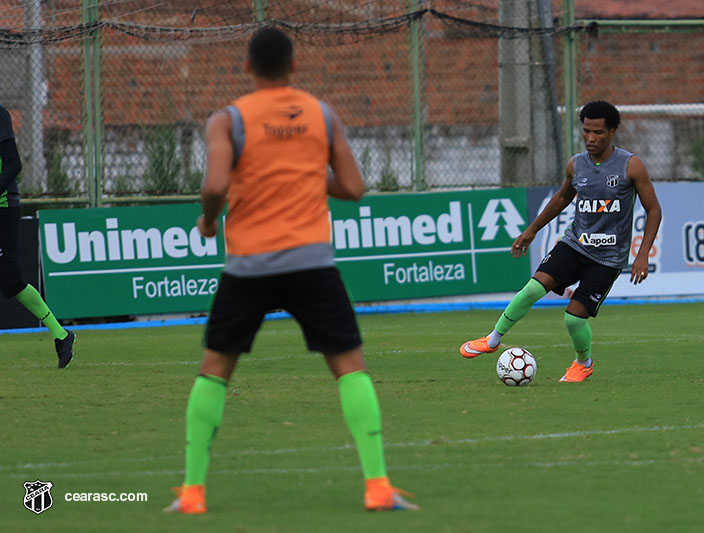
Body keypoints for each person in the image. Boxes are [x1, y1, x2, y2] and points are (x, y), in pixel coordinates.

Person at [165, 27, 418, 514]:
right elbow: (353, 186)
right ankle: (378, 486)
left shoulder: (228, 120)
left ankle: (193, 493)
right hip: (311, 261)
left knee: (215, 371)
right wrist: (302, 175)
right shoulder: (321, 114)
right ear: (294, 67)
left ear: (247, 67)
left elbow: (216, 183)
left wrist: (209, 219)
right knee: (349, 366)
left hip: (249, 265)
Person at [460, 101, 662, 382]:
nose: (591, 138)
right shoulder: (576, 164)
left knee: (573, 318)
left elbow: (654, 209)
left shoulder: (631, 166)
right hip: (575, 244)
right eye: (586, 131)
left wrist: (641, 256)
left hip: (608, 258)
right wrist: (531, 231)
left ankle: (584, 363)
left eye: (598, 133)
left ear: (612, 132)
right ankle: (492, 340)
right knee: (531, 289)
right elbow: (562, 198)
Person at [0, 104, 74, 367]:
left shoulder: (0, 114)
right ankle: (62, 335)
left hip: (3, 205)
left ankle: (61, 334)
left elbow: (13, 163)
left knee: (11, 279)